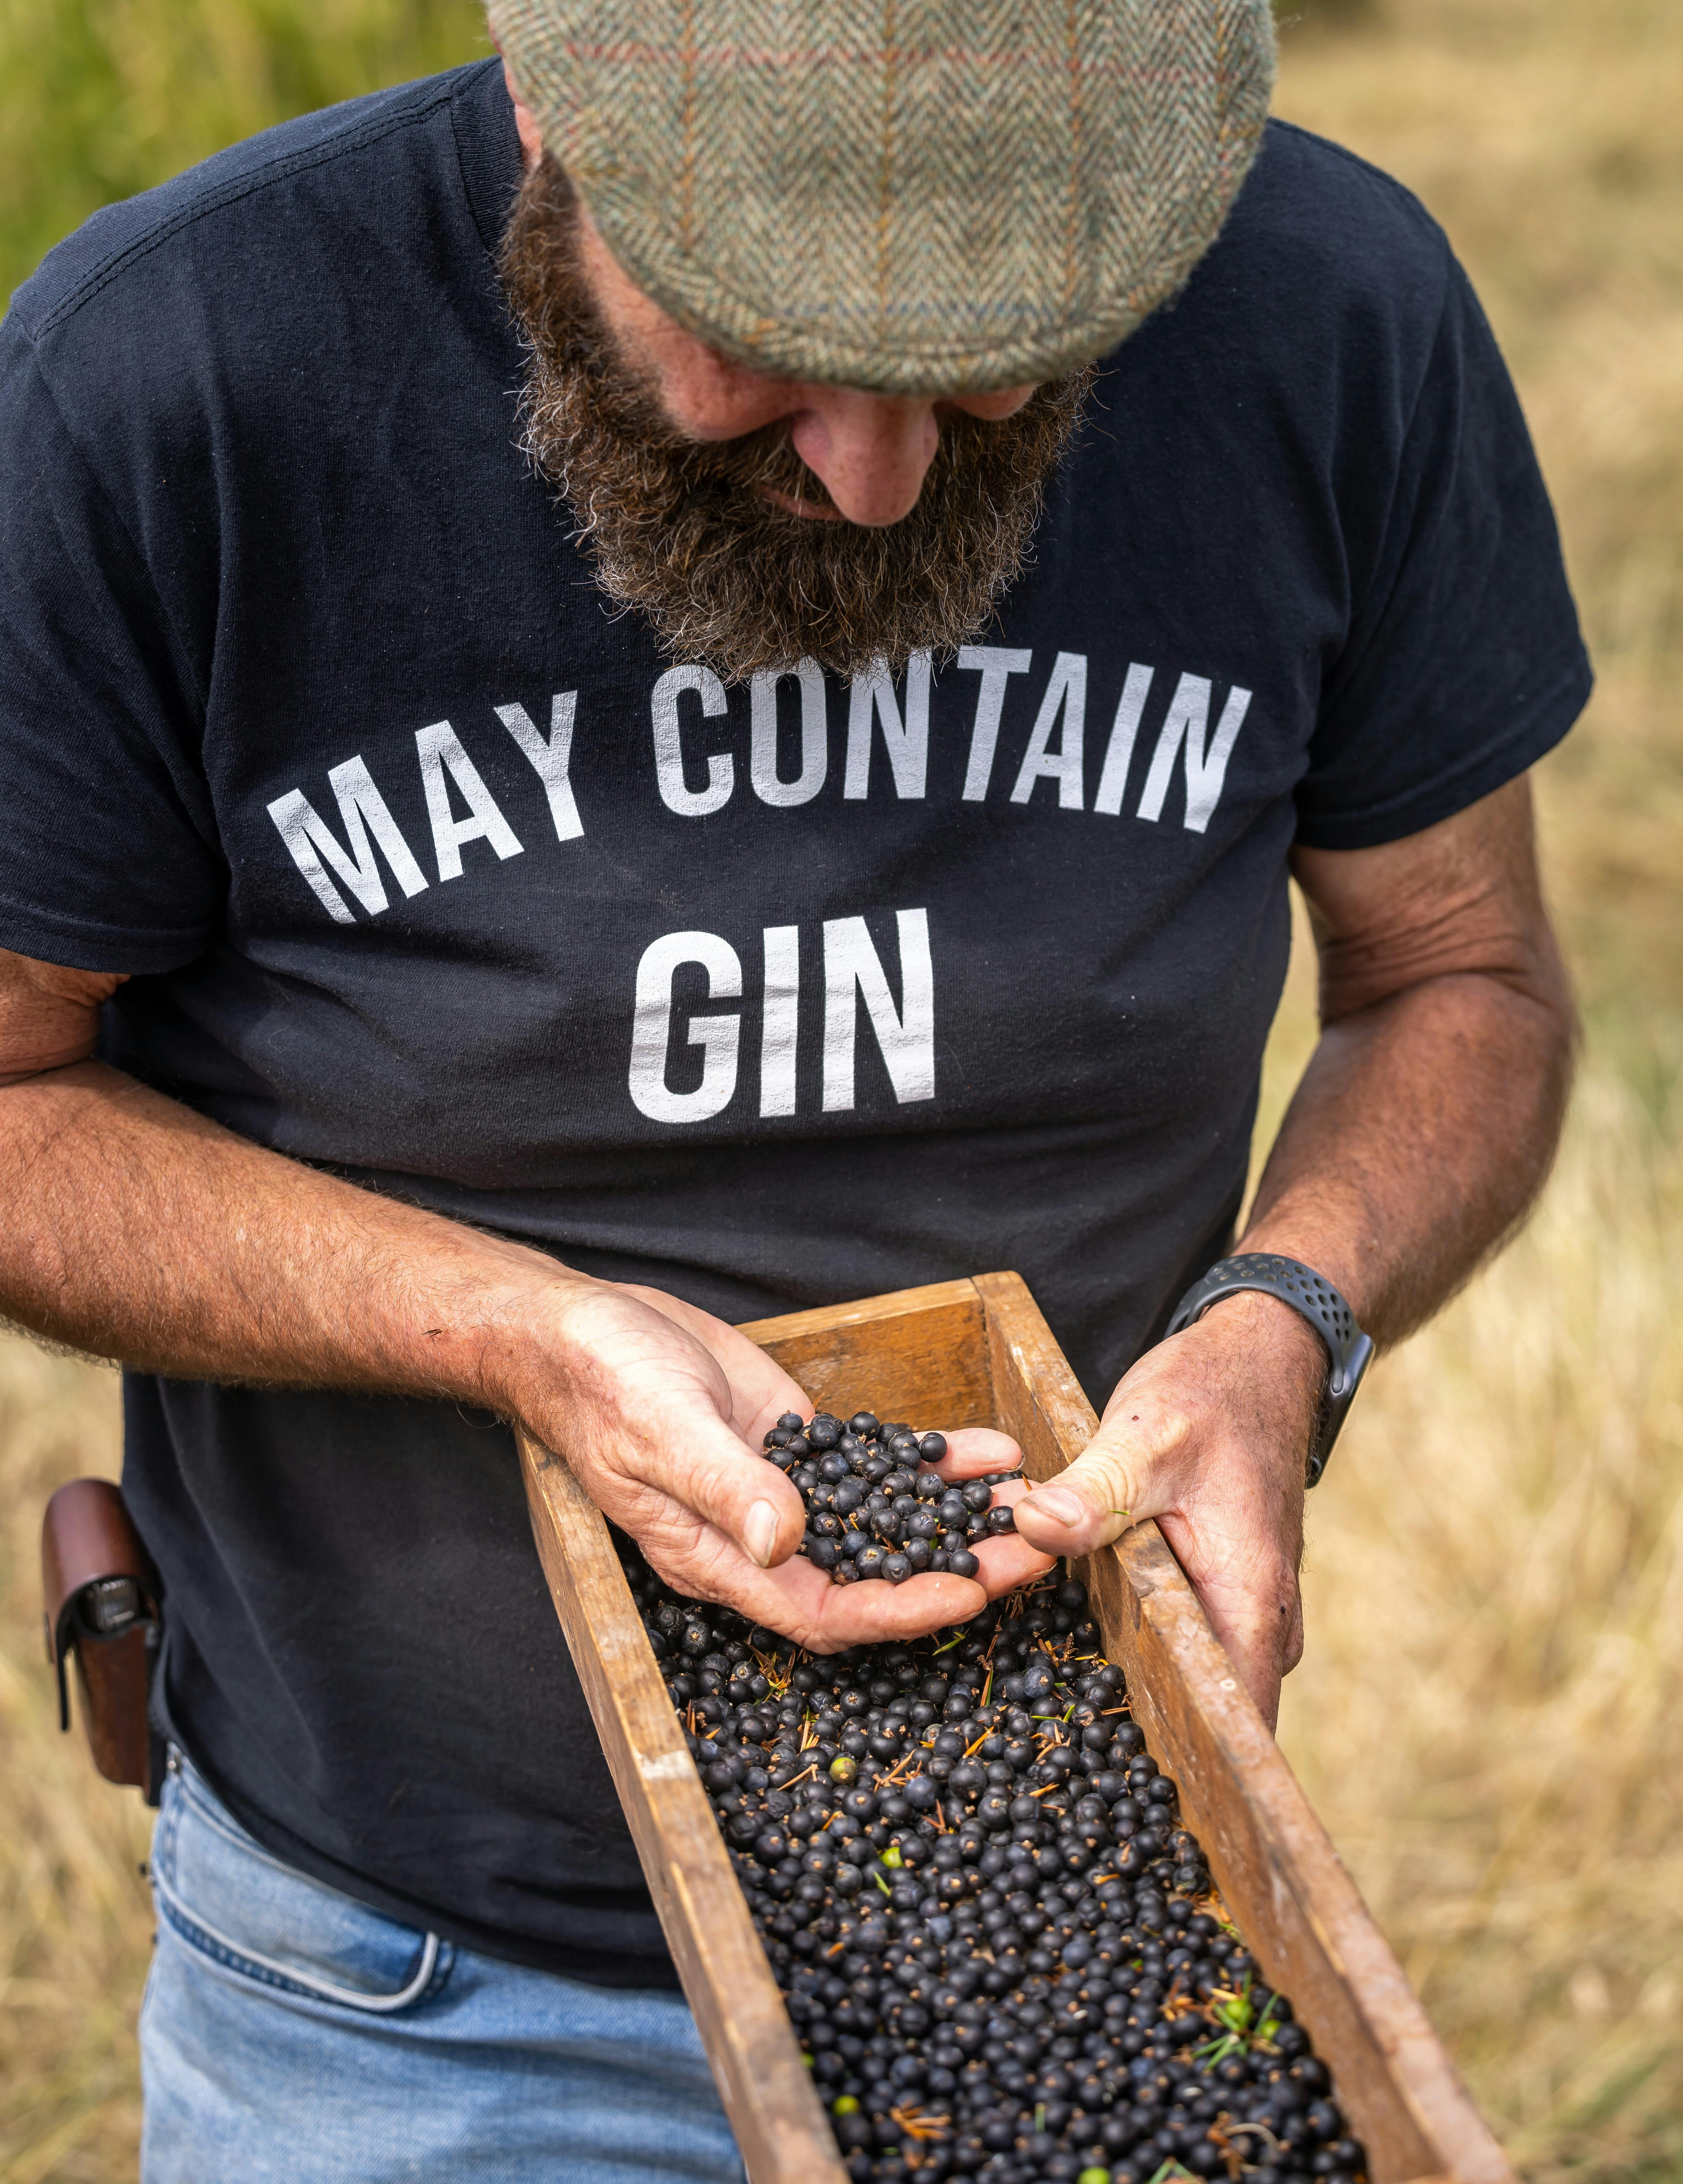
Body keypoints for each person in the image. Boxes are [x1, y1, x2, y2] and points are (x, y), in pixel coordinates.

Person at [0, 0, 1585, 2175]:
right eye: (760, 338)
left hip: (1091, 1936)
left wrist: (1282, 1323)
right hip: (415, 2006)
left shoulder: (1331, 309)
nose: (882, 472)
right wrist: (512, 1333)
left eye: (997, 364)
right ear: (553, 102)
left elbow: (1464, 981)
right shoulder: (175, 372)